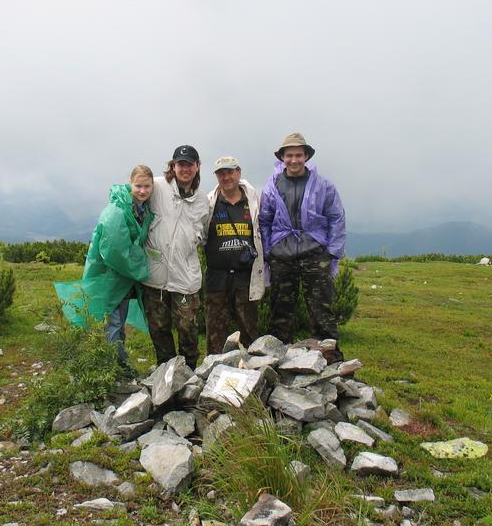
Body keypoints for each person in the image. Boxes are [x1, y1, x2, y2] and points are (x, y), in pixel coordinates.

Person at [259, 132, 346, 353]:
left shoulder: (323, 186)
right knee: (280, 309)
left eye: (298, 155)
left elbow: (336, 217)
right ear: (282, 157)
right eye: (289, 155)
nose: (294, 160)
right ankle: (277, 356)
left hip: (315, 253)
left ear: (306, 156)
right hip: (282, 254)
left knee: (321, 309)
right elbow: (264, 220)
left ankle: (330, 356)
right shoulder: (272, 187)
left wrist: (331, 252)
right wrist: (269, 251)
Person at [80, 165, 155, 376]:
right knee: (112, 324)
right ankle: (111, 370)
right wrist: (141, 267)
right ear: (130, 184)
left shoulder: (140, 208)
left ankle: (118, 365)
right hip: (111, 276)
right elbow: (114, 250)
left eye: (147, 186)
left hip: (122, 278)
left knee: (118, 322)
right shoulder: (117, 210)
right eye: (138, 186)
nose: (142, 191)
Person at [143, 145, 209, 369]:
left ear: (197, 166)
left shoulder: (202, 199)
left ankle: (189, 372)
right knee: (159, 328)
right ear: (173, 166)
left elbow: (204, 233)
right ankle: (165, 371)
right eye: (181, 164)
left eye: (189, 164)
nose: (185, 169)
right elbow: (134, 194)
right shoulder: (157, 187)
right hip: (155, 275)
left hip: (185, 277)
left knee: (188, 328)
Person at [203, 156, 265, 355]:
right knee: (215, 333)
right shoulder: (209, 203)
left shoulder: (253, 201)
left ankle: (253, 368)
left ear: (238, 172)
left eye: (230, 172)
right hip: (216, 276)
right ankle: (213, 368)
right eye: (221, 173)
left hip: (245, 276)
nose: (226, 177)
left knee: (249, 330)